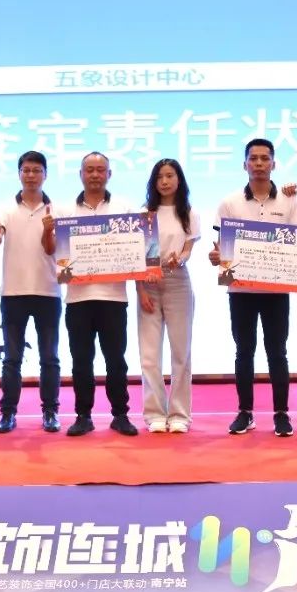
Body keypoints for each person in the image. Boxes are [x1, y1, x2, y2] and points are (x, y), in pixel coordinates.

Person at [208, 138, 297, 437]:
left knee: (278, 352)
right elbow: (220, 248)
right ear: (245, 164)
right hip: (241, 292)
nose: (259, 163)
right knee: (243, 352)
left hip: (277, 292)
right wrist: (217, 258)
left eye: (265, 158)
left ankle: (281, 414)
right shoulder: (229, 202)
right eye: (254, 158)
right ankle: (245, 412)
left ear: (274, 164)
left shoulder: (289, 200)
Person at [53, 151, 139, 437]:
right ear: (80, 174)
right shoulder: (65, 211)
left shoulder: (125, 208)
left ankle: (120, 415)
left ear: (109, 174)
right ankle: (83, 416)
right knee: (81, 361)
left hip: (114, 298)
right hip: (77, 298)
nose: (94, 174)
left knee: (116, 361)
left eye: (100, 170)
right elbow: (54, 250)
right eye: (89, 169)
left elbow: (138, 249)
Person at [0, 150, 61, 434]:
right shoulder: (5, 208)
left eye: (36, 170)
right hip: (13, 293)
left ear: (46, 174)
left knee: (49, 358)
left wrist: (48, 231)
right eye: (26, 170)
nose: (31, 175)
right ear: (19, 174)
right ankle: (7, 413)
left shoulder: (57, 209)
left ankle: (50, 412)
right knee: (11, 359)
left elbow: (53, 250)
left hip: (48, 291)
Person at [137, 159, 200, 433]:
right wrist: (140, 289)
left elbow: (187, 250)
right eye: (160, 176)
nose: (164, 181)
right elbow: (136, 256)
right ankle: (154, 414)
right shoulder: (144, 213)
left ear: (179, 179)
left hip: (178, 282)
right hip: (148, 283)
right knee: (149, 355)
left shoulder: (189, 212)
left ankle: (179, 414)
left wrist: (180, 259)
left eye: (170, 176)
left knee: (181, 352)